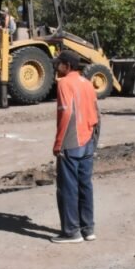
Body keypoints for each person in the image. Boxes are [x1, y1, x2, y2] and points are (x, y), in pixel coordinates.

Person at [51, 50, 100, 244]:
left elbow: (66, 113)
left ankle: (71, 231)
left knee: (68, 187)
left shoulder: (64, 83)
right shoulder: (87, 83)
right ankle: (88, 228)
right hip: (87, 140)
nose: (57, 66)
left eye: (60, 64)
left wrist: (58, 143)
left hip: (71, 141)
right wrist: (94, 140)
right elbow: (97, 113)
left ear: (67, 66)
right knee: (85, 185)